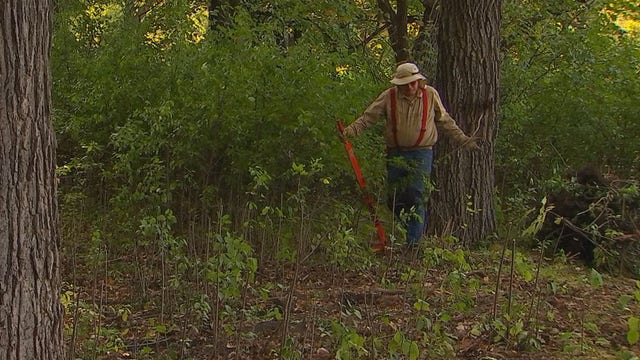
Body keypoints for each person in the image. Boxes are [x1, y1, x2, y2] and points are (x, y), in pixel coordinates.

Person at [342, 62, 478, 247]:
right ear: (398, 84)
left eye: (413, 82)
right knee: (395, 198)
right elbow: (368, 117)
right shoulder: (388, 97)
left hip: (422, 154)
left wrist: (463, 139)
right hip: (395, 154)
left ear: (419, 81)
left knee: (416, 195)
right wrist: (350, 131)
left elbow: (445, 121)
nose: (410, 87)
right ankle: (406, 232)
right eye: (406, 84)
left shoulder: (430, 95)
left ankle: (412, 244)